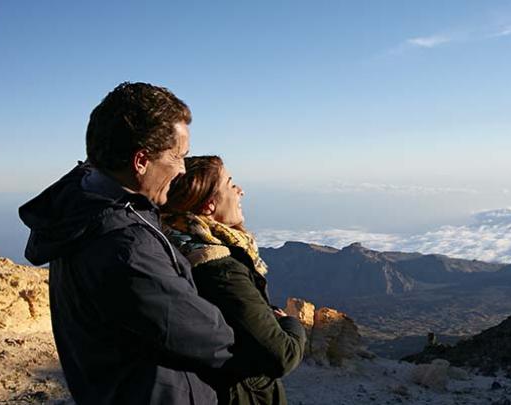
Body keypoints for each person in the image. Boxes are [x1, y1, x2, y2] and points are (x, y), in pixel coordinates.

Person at [19, 82, 236, 404]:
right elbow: (210, 340)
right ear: (140, 161)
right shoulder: (125, 246)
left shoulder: (82, 212)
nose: (183, 170)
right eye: (178, 156)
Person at [161, 155, 306, 405]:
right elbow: (281, 356)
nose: (241, 191)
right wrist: (292, 324)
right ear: (209, 206)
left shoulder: (171, 244)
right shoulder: (219, 268)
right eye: (230, 184)